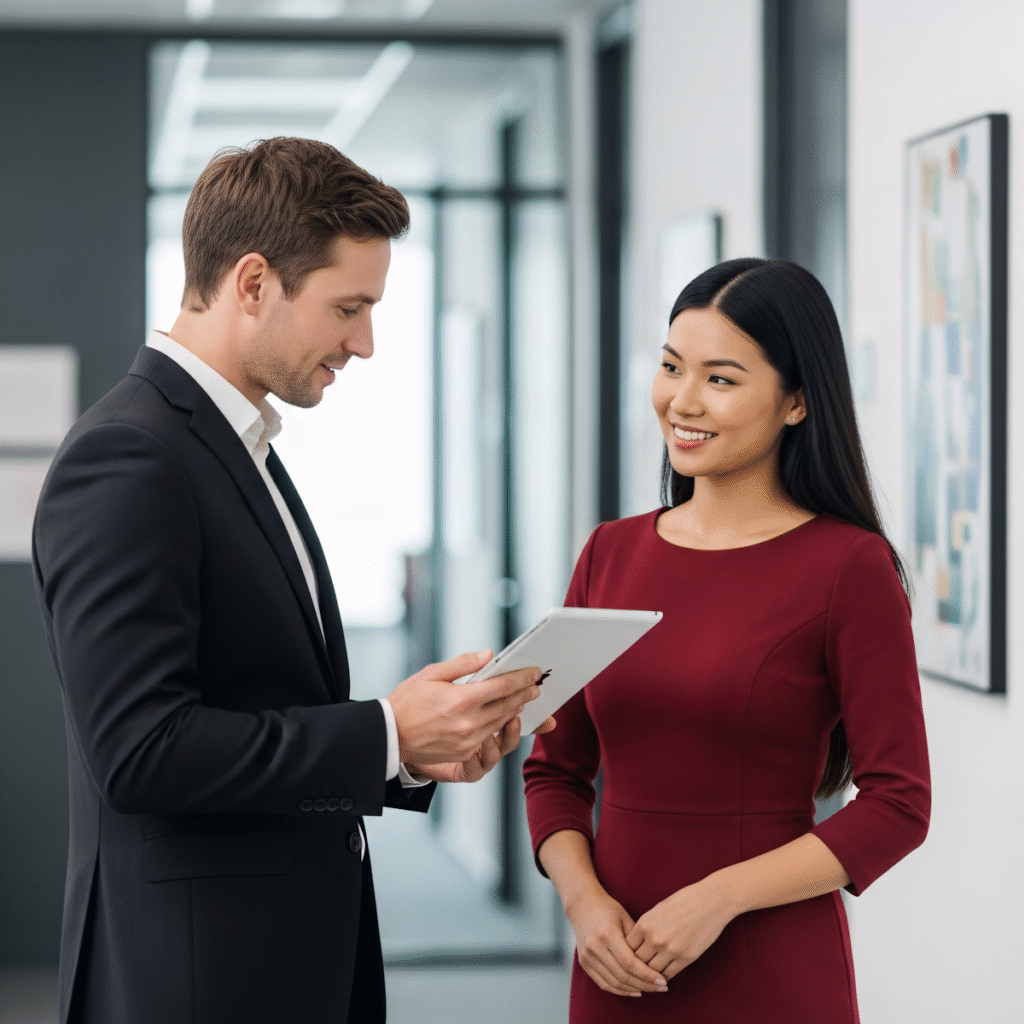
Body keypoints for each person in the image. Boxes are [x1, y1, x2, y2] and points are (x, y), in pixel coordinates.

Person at [33, 136, 549, 1024]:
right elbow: (142, 751)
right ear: (254, 283)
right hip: (199, 979)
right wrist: (382, 733)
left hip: (276, 961)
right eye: (349, 307)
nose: (368, 342)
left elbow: (255, 700)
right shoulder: (130, 456)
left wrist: (409, 753)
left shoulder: (238, 444)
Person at [523, 257, 931, 1022]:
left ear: (797, 403)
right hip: (615, 963)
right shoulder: (610, 552)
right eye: (672, 366)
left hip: (764, 964)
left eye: (720, 378)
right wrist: (584, 906)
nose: (681, 400)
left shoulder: (847, 567)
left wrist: (717, 900)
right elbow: (554, 771)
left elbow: (898, 804)